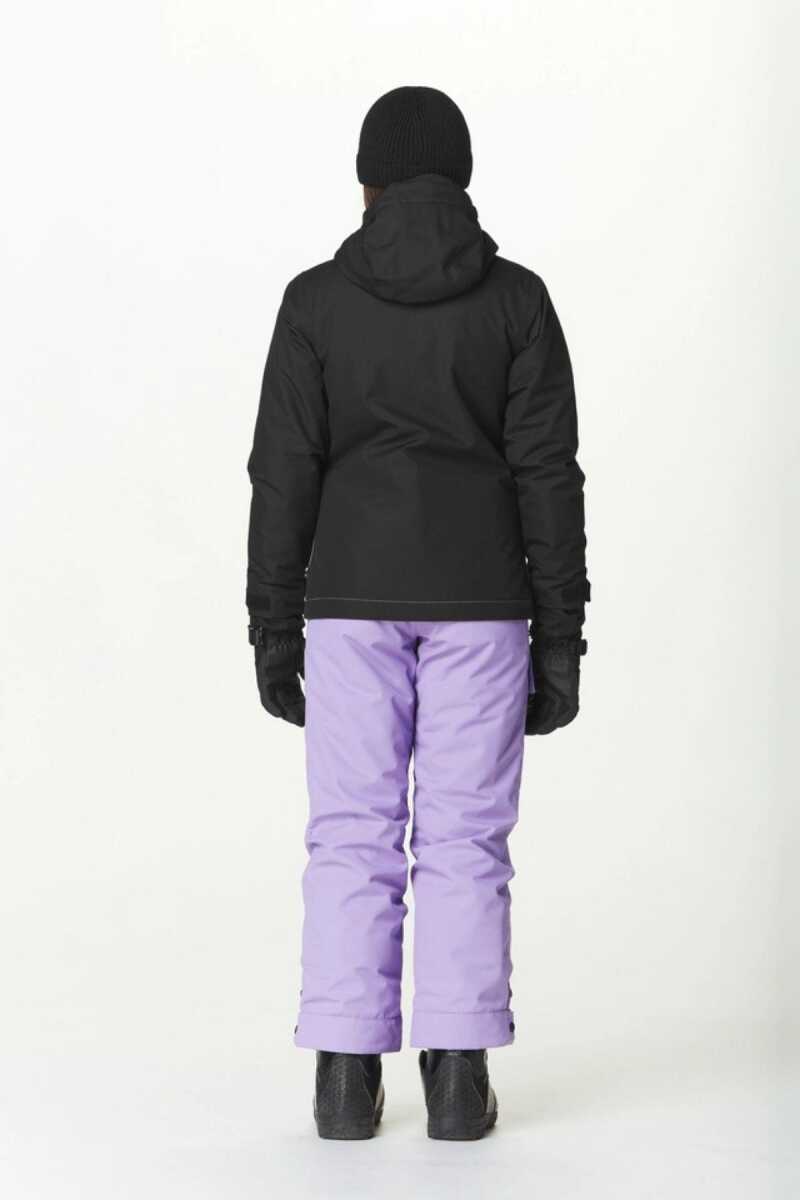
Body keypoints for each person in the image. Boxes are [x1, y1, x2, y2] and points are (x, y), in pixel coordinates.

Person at [246, 85, 589, 1140]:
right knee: (464, 839)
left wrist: (273, 626)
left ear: (367, 186)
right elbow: (549, 478)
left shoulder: (314, 303)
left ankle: (344, 1085)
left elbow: (283, 474)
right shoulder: (517, 303)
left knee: (349, 834)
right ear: (462, 180)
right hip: (484, 608)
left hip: (348, 608)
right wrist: (560, 640)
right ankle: (456, 1082)